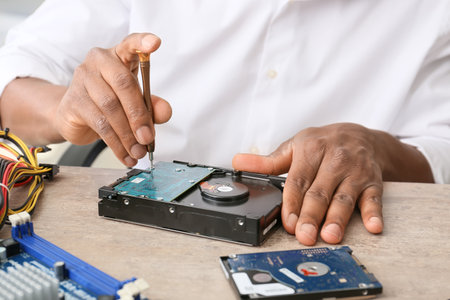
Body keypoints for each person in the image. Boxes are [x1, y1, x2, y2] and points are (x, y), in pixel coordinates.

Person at [0, 1, 449, 246]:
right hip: (147, 234)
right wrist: (64, 109)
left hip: (313, 239)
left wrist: (376, 147)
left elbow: (442, 148)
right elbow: (12, 76)